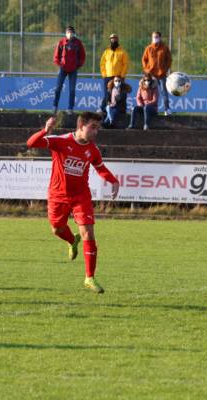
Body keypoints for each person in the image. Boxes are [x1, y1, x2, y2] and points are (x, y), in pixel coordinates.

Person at [26, 112, 120, 294]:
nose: (96, 132)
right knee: (57, 229)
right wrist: (45, 131)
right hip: (57, 195)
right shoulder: (60, 141)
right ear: (80, 126)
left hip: (81, 196)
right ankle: (71, 240)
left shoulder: (93, 149)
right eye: (93, 127)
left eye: (98, 128)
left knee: (88, 232)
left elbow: (100, 168)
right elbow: (31, 144)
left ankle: (89, 277)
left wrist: (113, 180)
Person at [52, 26, 85, 115]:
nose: (70, 34)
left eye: (71, 32)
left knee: (72, 90)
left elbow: (82, 56)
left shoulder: (78, 43)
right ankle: (55, 106)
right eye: (68, 32)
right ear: (66, 33)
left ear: (74, 33)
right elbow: (56, 56)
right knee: (58, 88)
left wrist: (78, 65)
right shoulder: (61, 42)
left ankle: (70, 108)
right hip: (63, 69)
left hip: (73, 70)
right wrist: (60, 64)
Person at [141, 31, 172, 115]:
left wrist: (164, 70)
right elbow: (144, 60)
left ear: (160, 37)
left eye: (157, 36)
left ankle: (167, 109)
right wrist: (147, 70)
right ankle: (150, 109)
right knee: (149, 92)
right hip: (150, 75)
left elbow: (169, 60)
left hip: (161, 75)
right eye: (154, 37)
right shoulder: (148, 48)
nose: (155, 38)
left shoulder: (165, 48)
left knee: (163, 91)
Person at [98, 33, 129, 113]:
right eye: (111, 38)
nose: (113, 40)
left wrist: (122, 75)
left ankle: (122, 109)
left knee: (120, 94)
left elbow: (126, 64)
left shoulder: (122, 52)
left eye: (115, 38)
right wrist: (104, 74)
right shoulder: (106, 52)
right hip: (108, 76)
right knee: (107, 93)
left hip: (118, 77)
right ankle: (103, 108)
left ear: (117, 40)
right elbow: (102, 64)